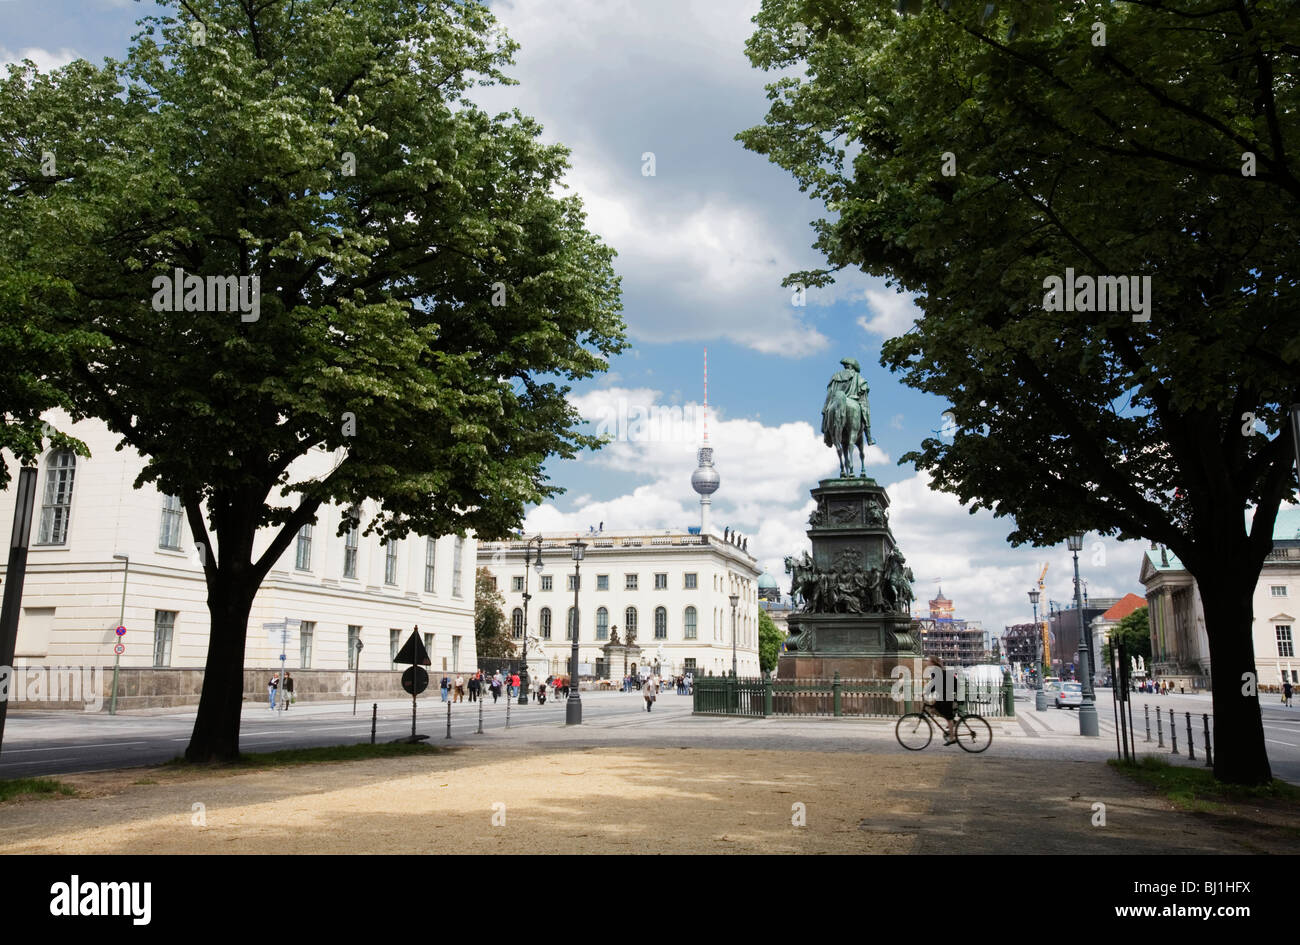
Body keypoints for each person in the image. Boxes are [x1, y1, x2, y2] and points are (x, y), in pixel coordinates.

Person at [924, 657, 959, 745]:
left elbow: (934, 685)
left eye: (928, 661)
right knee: (933, 709)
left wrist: (926, 692)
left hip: (947, 695)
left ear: (932, 662)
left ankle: (952, 738)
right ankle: (951, 721)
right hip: (943, 694)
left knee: (948, 716)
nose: (927, 662)